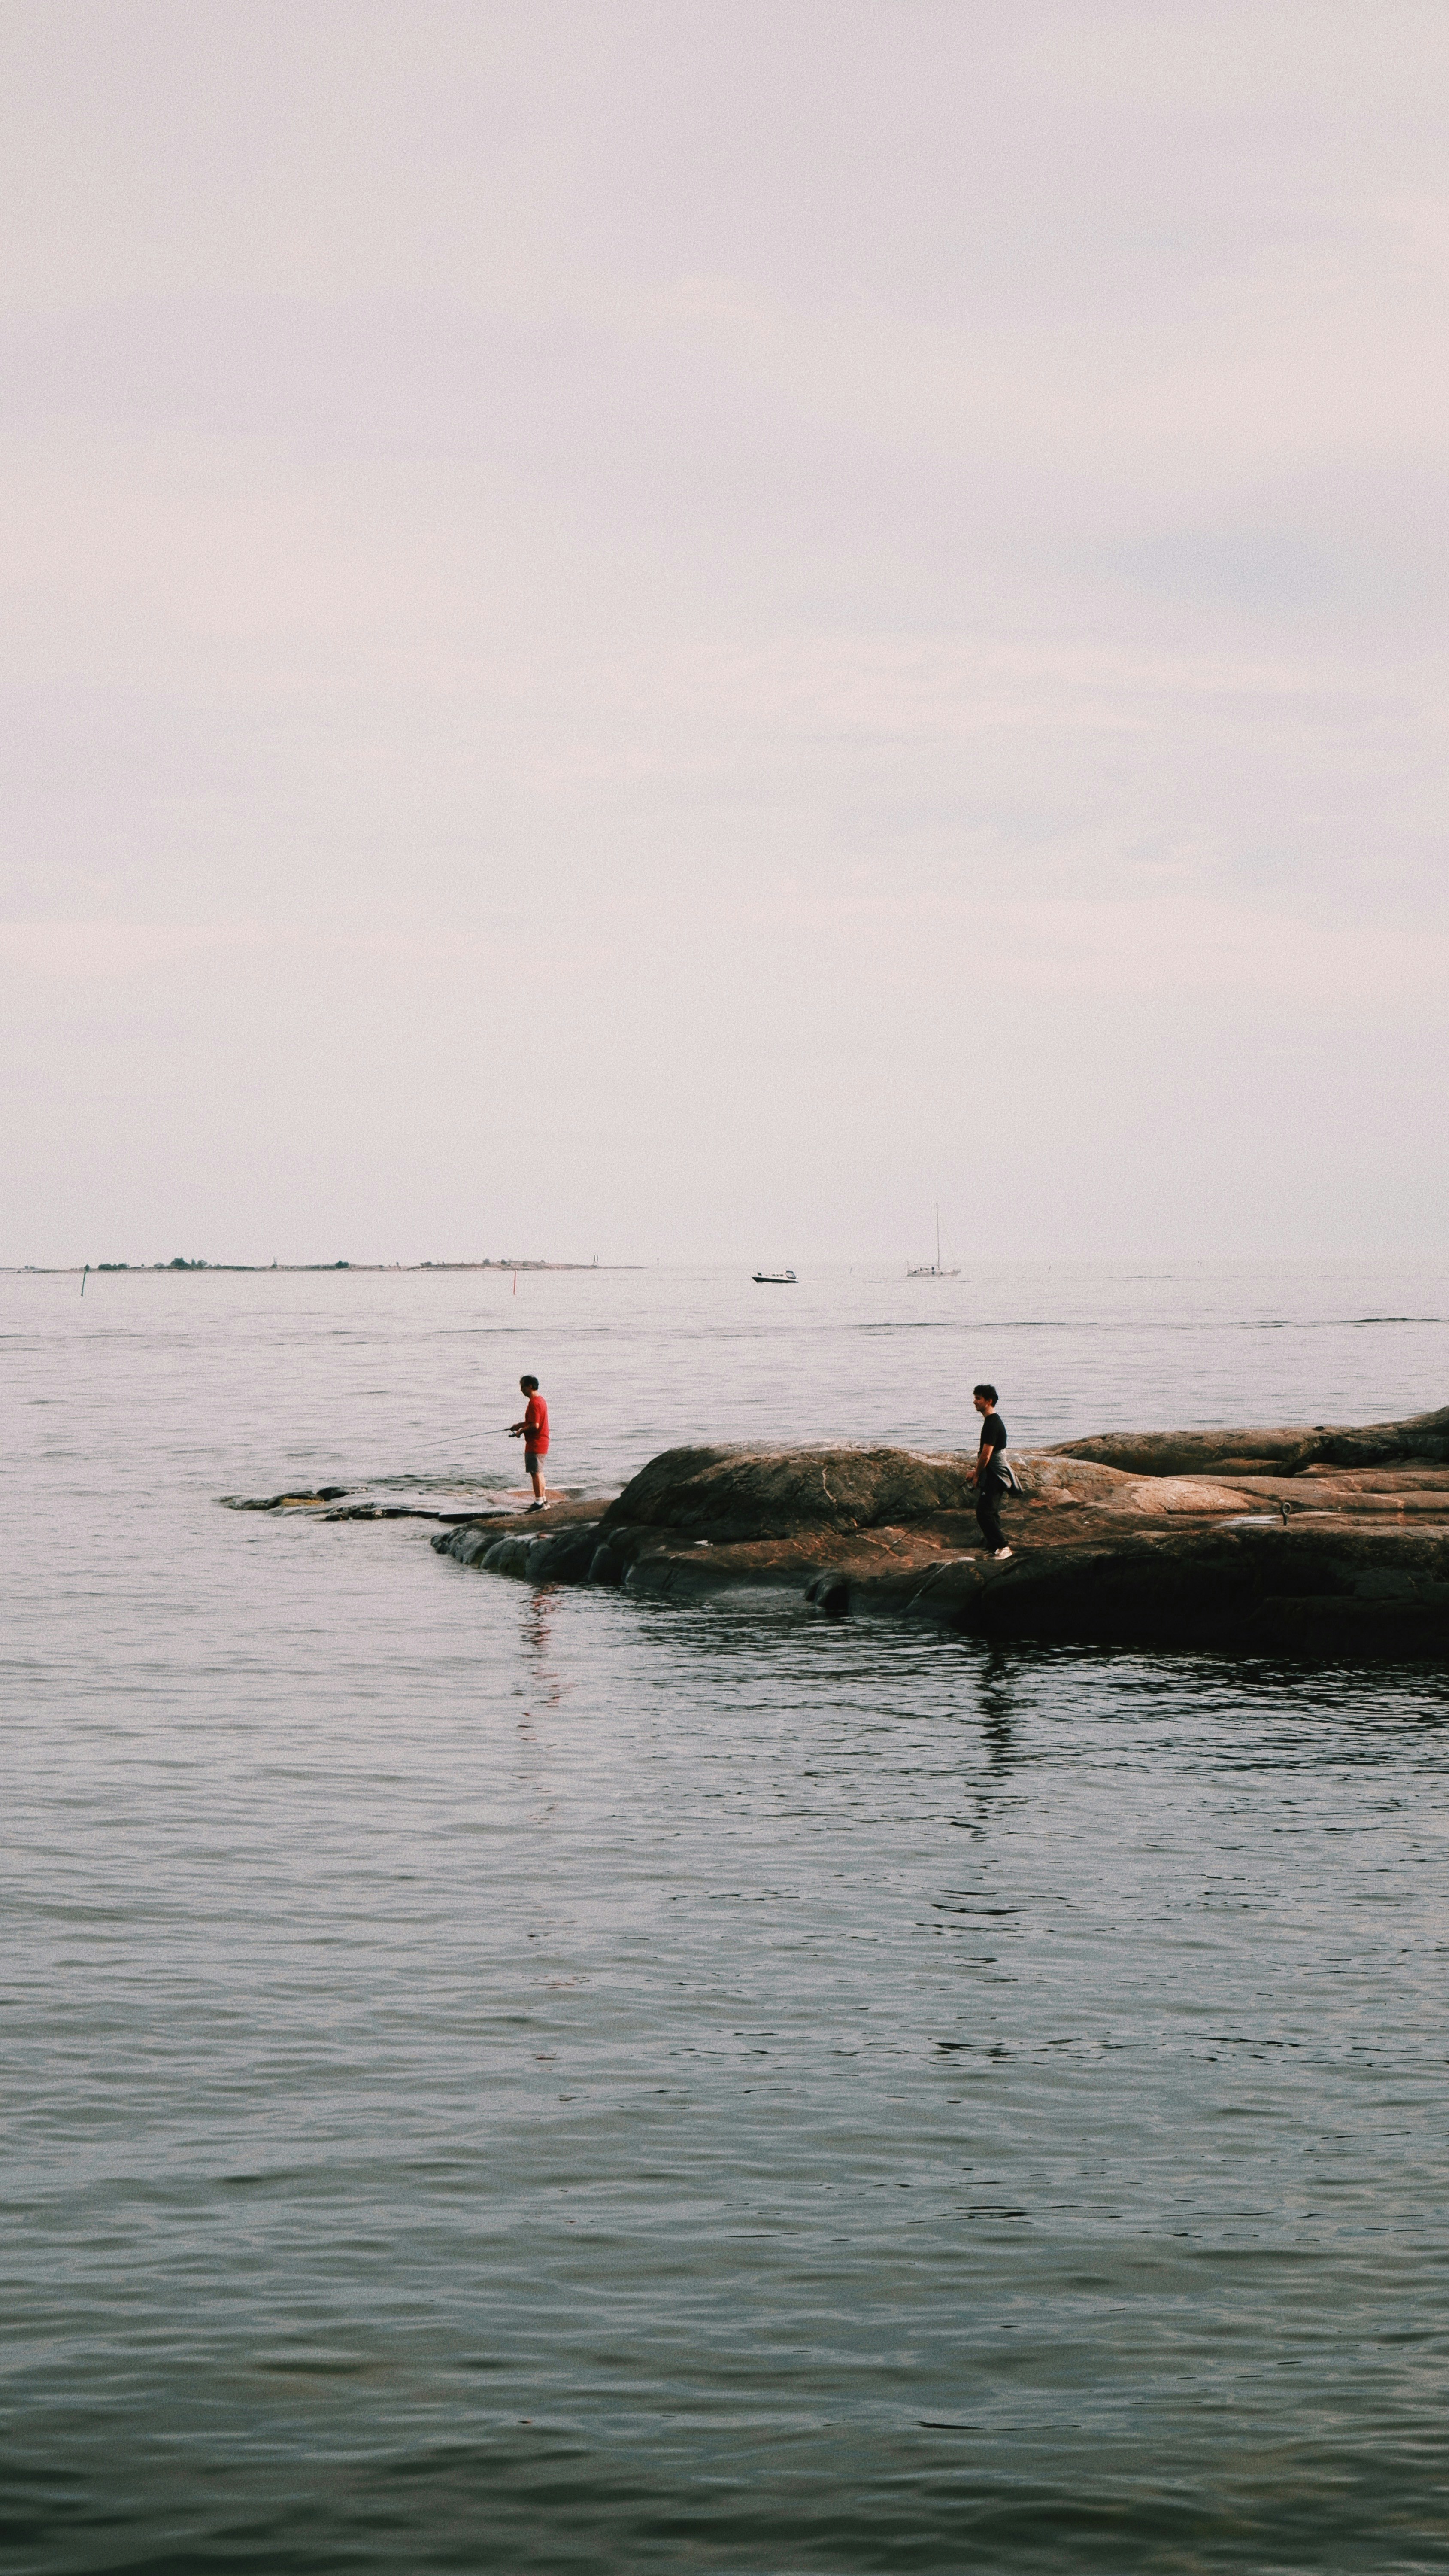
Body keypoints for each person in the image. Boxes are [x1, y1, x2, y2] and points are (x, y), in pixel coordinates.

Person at [968, 1382, 1012, 1560]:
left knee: (984, 1512)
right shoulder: (991, 1422)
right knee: (990, 1511)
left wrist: (976, 1475)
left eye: (978, 1399)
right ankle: (995, 1548)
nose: (974, 1402)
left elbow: (986, 1456)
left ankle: (1004, 1548)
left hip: (995, 1474)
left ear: (989, 1401)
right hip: (993, 1472)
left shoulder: (992, 1424)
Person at [509, 1374, 550, 1508]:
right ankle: (543, 1500)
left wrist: (521, 1431)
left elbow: (535, 1426)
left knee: (535, 1473)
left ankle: (539, 1502)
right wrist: (520, 1425)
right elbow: (533, 1421)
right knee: (539, 1472)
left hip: (535, 1443)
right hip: (543, 1442)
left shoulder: (534, 1403)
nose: (521, 1390)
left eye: (523, 1387)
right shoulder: (541, 1401)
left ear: (530, 1387)